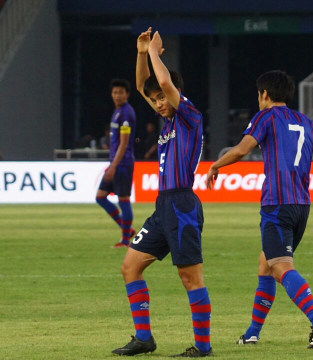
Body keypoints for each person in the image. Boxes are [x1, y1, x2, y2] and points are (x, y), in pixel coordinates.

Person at [206, 70, 313, 349]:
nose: (258, 99)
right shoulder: (307, 123)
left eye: (258, 94)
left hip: (277, 204)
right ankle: (253, 332)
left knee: (280, 268)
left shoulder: (265, 117)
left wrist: (216, 165)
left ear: (265, 94)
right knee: (265, 265)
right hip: (301, 206)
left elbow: (242, 150)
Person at [111, 28, 212, 357]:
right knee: (130, 266)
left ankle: (203, 346)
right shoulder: (167, 122)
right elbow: (143, 86)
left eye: (162, 99)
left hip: (183, 204)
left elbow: (165, 84)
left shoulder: (188, 116)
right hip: (163, 207)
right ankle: (144, 338)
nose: (158, 103)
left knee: (189, 277)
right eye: (154, 101)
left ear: (175, 95)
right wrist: (141, 53)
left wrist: (156, 53)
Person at [95, 78, 137, 248]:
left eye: (121, 92)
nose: (117, 95)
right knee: (100, 197)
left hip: (123, 163)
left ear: (127, 94)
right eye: (115, 92)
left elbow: (124, 143)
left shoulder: (126, 113)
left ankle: (125, 240)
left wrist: (113, 166)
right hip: (116, 162)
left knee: (123, 199)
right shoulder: (118, 111)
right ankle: (127, 229)